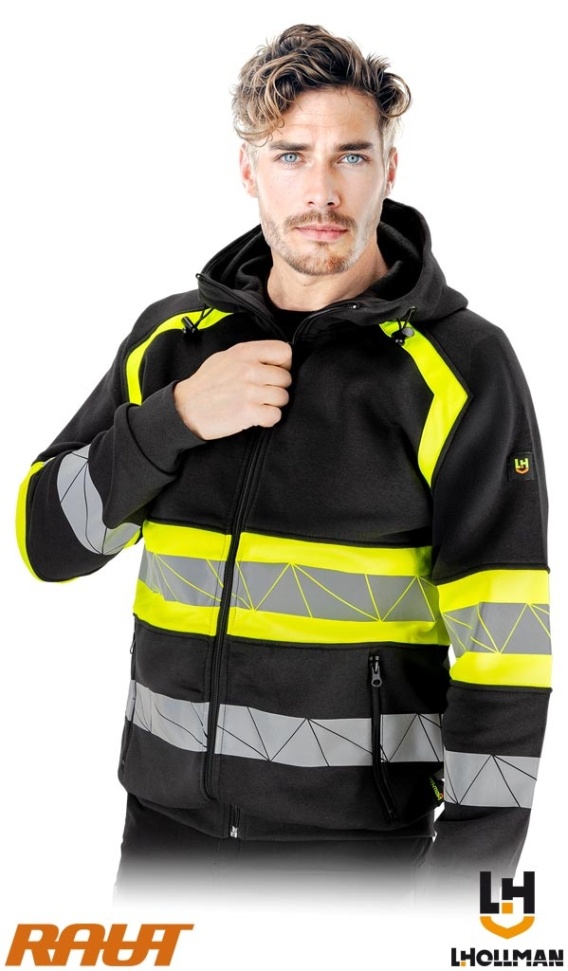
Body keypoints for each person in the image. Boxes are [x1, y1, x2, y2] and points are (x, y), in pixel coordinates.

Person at [16, 24, 550, 898]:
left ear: (389, 169)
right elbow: (48, 543)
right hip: (160, 839)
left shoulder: (461, 367)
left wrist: (464, 892)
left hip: (357, 861)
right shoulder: (173, 342)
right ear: (249, 170)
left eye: (351, 156)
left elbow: (508, 648)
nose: (321, 190)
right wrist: (174, 420)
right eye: (291, 155)